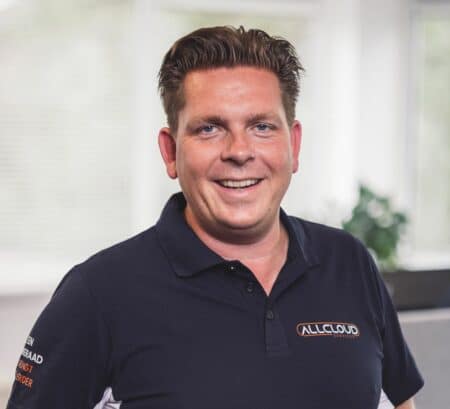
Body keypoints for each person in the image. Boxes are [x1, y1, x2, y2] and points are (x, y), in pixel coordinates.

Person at [7, 26, 423, 409]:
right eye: (209, 129)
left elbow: (400, 400)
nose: (239, 151)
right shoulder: (98, 293)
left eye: (262, 127)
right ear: (170, 151)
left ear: (293, 145)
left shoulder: (348, 263)